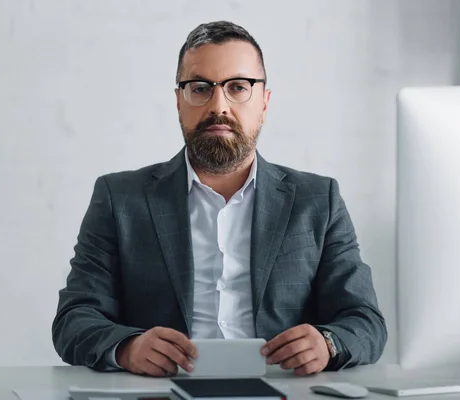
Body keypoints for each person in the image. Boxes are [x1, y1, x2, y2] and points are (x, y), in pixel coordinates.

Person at [52, 20, 387, 377]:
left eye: (238, 87)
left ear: (264, 102)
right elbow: (74, 319)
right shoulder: (120, 198)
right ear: (179, 101)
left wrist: (328, 343)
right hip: (160, 390)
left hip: (283, 389)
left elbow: (365, 321)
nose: (219, 106)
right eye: (200, 88)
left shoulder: (318, 200)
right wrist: (127, 348)